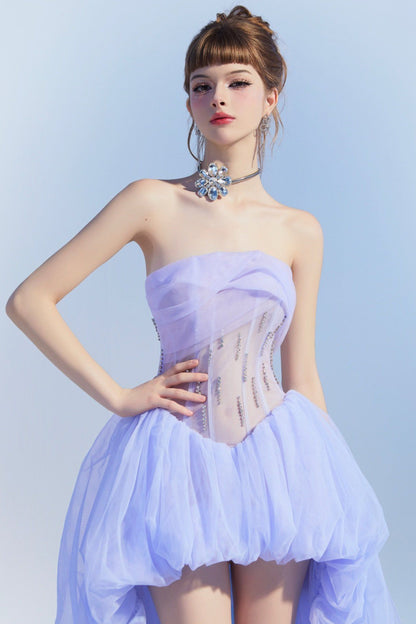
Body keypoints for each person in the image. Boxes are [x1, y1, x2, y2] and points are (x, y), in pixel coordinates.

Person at [5, 5, 400, 624]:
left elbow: (302, 376)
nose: (218, 97)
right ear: (188, 101)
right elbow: (28, 300)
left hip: (278, 461)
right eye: (202, 84)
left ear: (271, 97)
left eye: (238, 82)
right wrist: (119, 396)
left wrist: (321, 478)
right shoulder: (152, 202)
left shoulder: (300, 231)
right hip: (179, 462)